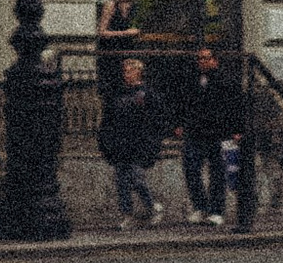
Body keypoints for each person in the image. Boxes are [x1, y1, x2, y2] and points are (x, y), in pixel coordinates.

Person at [99, 54, 168, 223]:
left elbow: (156, 118)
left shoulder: (146, 94)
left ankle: (152, 206)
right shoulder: (119, 94)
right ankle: (127, 214)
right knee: (121, 180)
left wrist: (153, 140)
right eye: (125, 71)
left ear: (138, 72)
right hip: (121, 143)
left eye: (130, 71)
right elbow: (109, 118)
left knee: (136, 178)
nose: (126, 74)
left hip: (139, 142)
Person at [179, 47, 240, 225]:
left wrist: (236, 130)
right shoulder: (192, 79)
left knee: (217, 173)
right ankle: (200, 206)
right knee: (191, 168)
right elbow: (184, 102)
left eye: (206, 59)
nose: (202, 62)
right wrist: (181, 124)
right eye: (199, 59)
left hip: (217, 132)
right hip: (195, 131)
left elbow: (234, 106)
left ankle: (216, 210)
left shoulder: (226, 80)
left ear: (215, 60)